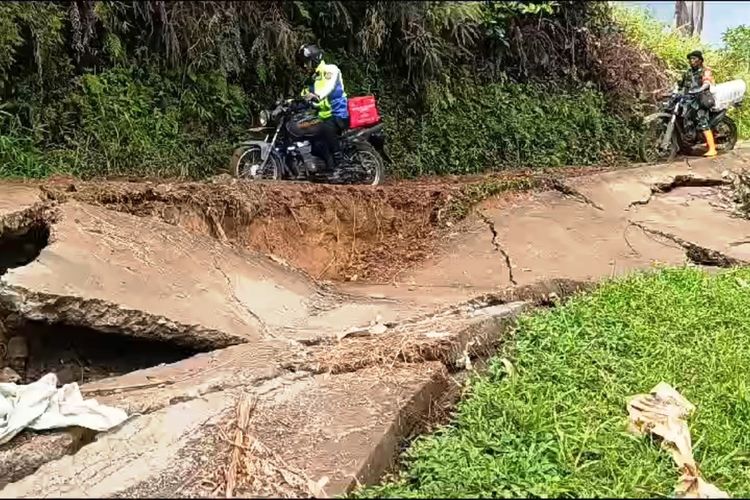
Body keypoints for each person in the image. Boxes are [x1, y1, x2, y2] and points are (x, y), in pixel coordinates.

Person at [289, 44, 350, 172]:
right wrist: (290, 103)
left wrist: (317, 95)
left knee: (324, 127)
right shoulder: (312, 80)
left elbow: (329, 87)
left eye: (306, 62)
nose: (305, 66)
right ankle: (323, 166)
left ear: (315, 59)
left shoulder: (330, 70)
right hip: (321, 116)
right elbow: (303, 97)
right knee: (305, 129)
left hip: (338, 114)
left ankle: (340, 163)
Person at [680, 50, 717, 157]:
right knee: (685, 119)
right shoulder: (688, 72)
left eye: (694, 59)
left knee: (702, 120)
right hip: (689, 100)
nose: (691, 61)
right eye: (690, 59)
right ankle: (686, 145)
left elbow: (707, 82)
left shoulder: (705, 70)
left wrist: (700, 89)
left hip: (702, 99)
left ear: (700, 60)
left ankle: (712, 149)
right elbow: (681, 85)